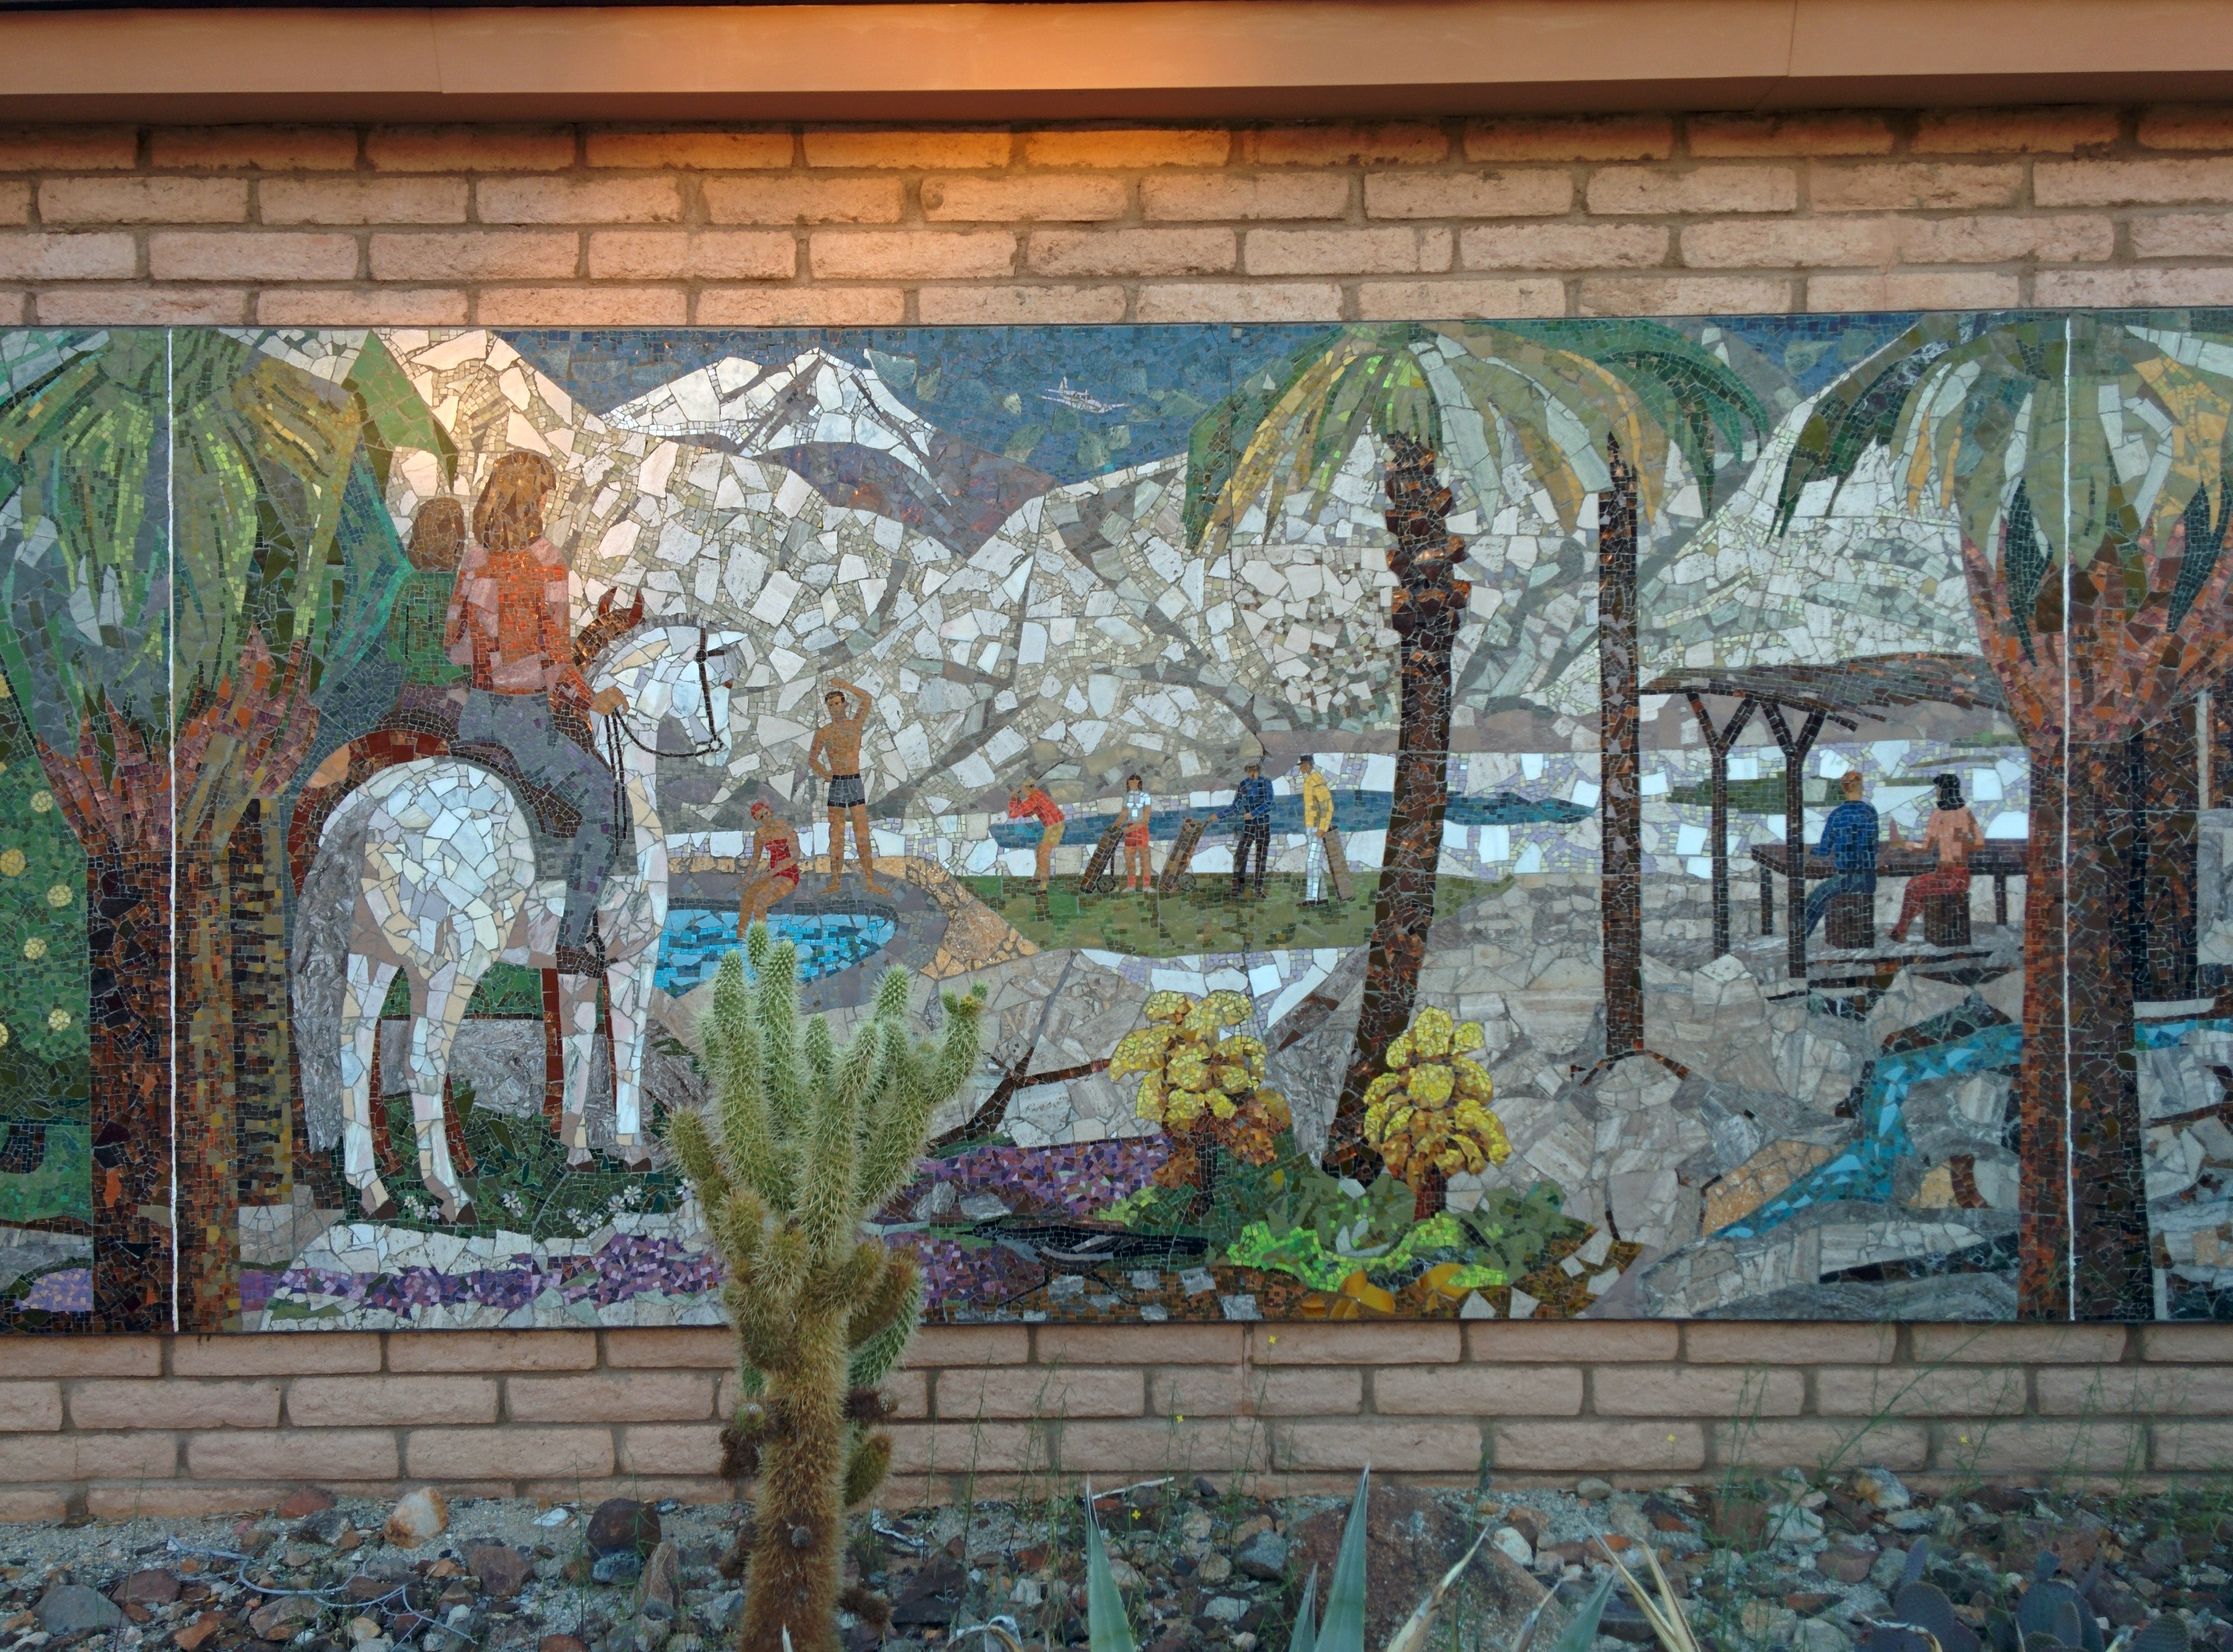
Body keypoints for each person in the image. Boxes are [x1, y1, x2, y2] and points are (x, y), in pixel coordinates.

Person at [443, 451, 626, 978]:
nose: (549, 504)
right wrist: (593, 700)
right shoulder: (547, 561)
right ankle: (571, 941)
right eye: (545, 495)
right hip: (525, 725)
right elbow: (557, 664)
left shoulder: (474, 560)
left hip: (476, 717)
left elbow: (453, 647)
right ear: (532, 500)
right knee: (606, 802)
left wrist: (491, 654)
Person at [386, 497, 469, 728]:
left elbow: (395, 649)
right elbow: (469, 650)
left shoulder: (409, 586)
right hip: (454, 692)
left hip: (413, 689)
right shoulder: (462, 589)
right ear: (458, 545)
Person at [807, 677, 888, 895]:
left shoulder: (855, 726)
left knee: (862, 832)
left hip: (854, 781)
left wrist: (845, 685)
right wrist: (827, 775)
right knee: (836, 833)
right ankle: (836, 880)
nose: (834, 708)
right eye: (830, 705)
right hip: (838, 784)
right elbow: (812, 759)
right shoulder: (825, 732)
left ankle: (869, 880)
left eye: (837, 703)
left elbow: (867, 699)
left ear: (844, 704)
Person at [1888, 773, 1982, 942]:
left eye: (1938, 789)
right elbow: (1926, 847)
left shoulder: (1960, 814)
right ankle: (1900, 931)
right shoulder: (1942, 814)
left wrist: (1962, 843)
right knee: (1914, 886)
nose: (1937, 792)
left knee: (1916, 887)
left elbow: (1979, 843)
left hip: (1958, 876)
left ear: (1945, 790)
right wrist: (1904, 844)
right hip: (1943, 873)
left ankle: (1901, 931)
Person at [1803, 769, 1880, 939]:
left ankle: (1800, 938)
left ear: (1844, 789)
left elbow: (1824, 851)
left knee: (1815, 899)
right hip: (1869, 879)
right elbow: (1874, 847)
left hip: (1846, 879)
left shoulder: (1837, 815)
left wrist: (1808, 850)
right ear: (1861, 788)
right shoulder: (1870, 813)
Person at [738, 798, 802, 936]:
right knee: (747, 896)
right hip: (772, 873)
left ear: (770, 811)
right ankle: (741, 935)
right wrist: (746, 880)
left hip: (788, 874)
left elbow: (795, 855)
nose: (765, 818)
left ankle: (762, 937)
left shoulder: (784, 827)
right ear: (758, 820)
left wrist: (775, 870)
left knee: (760, 902)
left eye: (766, 813)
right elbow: (755, 860)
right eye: (761, 817)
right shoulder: (760, 834)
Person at [1220, 760, 1275, 898]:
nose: (1252, 773)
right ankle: (1237, 888)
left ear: (1259, 771)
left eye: (1254, 770)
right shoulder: (1243, 785)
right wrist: (1220, 815)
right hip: (1249, 826)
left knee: (1261, 857)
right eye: (1250, 771)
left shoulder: (1266, 783)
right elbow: (1235, 806)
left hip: (1263, 824)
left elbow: (1269, 803)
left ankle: (1258, 890)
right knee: (1240, 855)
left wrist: (1253, 813)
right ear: (1247, 771)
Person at [1008, 781, 1066, 892]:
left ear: (1027, 789)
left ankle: (1044, 886)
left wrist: (1014, 798)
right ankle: (1038, 878)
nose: (1023, 793)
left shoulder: (1034, 798)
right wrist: (1018, 801)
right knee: (1040, 851)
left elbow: (1013, 814)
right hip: (1054, 825)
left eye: (1023, 790)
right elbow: (1026, 813)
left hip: (1054, 826)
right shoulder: (1038, 795)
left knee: (1043, 854)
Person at [1298, 755, 1334, 903]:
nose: (1301, 768)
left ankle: (1311, 898)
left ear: (1308, 765)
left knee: (1312, 863)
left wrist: (1323, 827)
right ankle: (1323, 896)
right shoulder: (1309, 781)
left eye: (1302, 765)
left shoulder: (1316, 781)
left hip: (1317, 828)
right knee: (1316, 863)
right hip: (1311, 826)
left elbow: (1327, 806)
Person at [1119, 773, 1153, 891]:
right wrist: (1115, 827)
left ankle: (1146, 885)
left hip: (1141, 830)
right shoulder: (1127, 797)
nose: (1133, 784)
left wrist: (1129, 829)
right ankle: (1131, 885)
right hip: (1130, 830)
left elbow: (1146, 819)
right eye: (1130, 782)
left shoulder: (1146, 797)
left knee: (1145, 858)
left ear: (1139, 783)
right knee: (1129, 857)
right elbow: (1123, 815)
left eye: (1135, 782)